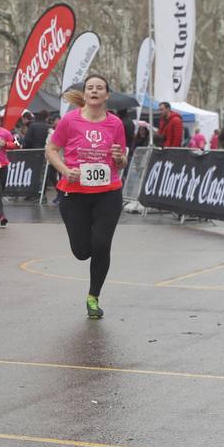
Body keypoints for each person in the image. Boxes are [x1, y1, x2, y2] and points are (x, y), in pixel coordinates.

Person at [45, 74, 129, 320]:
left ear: (106, 95)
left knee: (102, 245)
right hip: (74, 194)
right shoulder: (70, 121)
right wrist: (64, 170)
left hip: (108, 193)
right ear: (84, 94)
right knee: (82, 251)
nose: (94, 91)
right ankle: (88, 250)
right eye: (90, 88)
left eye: (99, 88)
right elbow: (51, 149)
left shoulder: (115, 124)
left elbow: (122, 161)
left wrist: (119, 158)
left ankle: (93, 297)